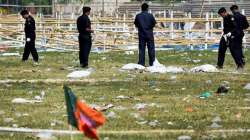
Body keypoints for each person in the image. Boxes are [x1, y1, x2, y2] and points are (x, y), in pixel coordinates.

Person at [230, 5, 249, 70]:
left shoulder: (233, 17)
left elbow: (232, 26)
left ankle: (240, 64)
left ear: (232, 10)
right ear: (237, 9)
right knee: (239, 47)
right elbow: (247, 26)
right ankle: (242, 60)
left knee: (234, 49)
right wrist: (241, 27)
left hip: (234, 34)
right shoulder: (243, 16)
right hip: (240, 34)